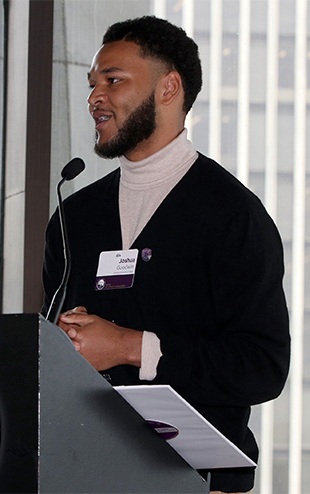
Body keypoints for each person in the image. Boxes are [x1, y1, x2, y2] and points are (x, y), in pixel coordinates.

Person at [42, 16, 290, 494]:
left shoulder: (232, 215)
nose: (95, 97)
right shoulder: (74, 216)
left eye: (113, 80)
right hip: (84, 471)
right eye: (92, 83)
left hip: (198, 479)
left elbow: (262, 366)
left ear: (169, 87)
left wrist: (128, 346)